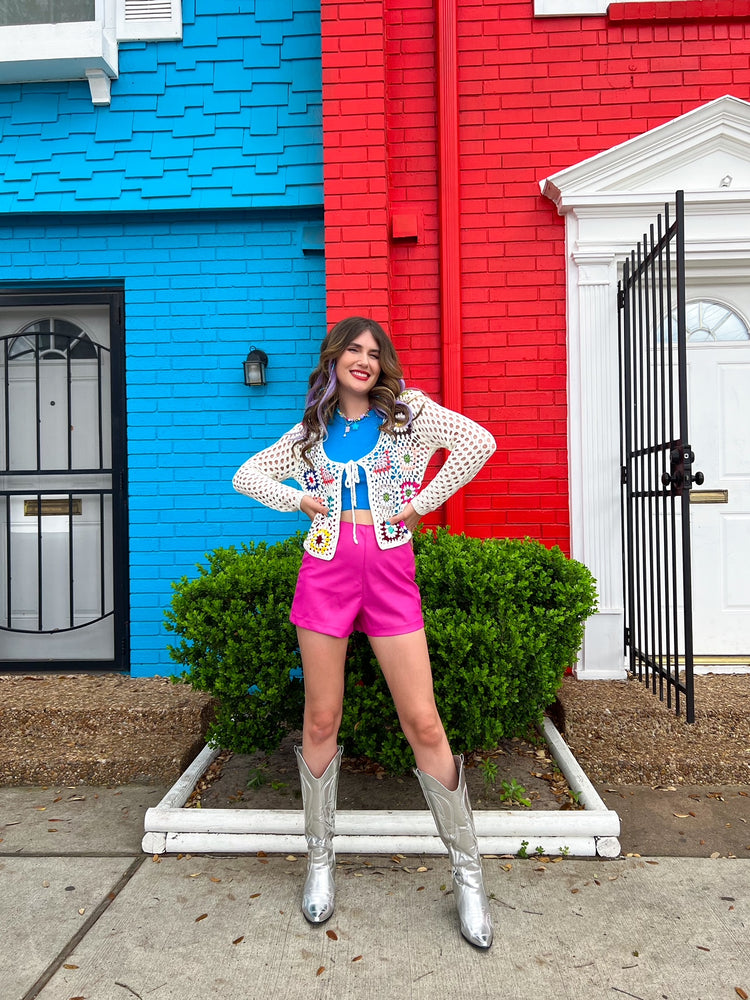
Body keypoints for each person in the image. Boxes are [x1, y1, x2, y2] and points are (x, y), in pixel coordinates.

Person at [232, 316, 497, 949]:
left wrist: (423, 501)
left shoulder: (411, 416)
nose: (364, 360)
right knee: (321, 720)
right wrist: (298, 501)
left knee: (424, 721)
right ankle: (320, 863)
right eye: (353, 350)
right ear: (334, 360)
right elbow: (246, 475)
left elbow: (477, 443)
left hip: (388, 570)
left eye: (373, 353)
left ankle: (468, 876)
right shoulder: (310, 433)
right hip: (324, 570)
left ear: (383, 365)